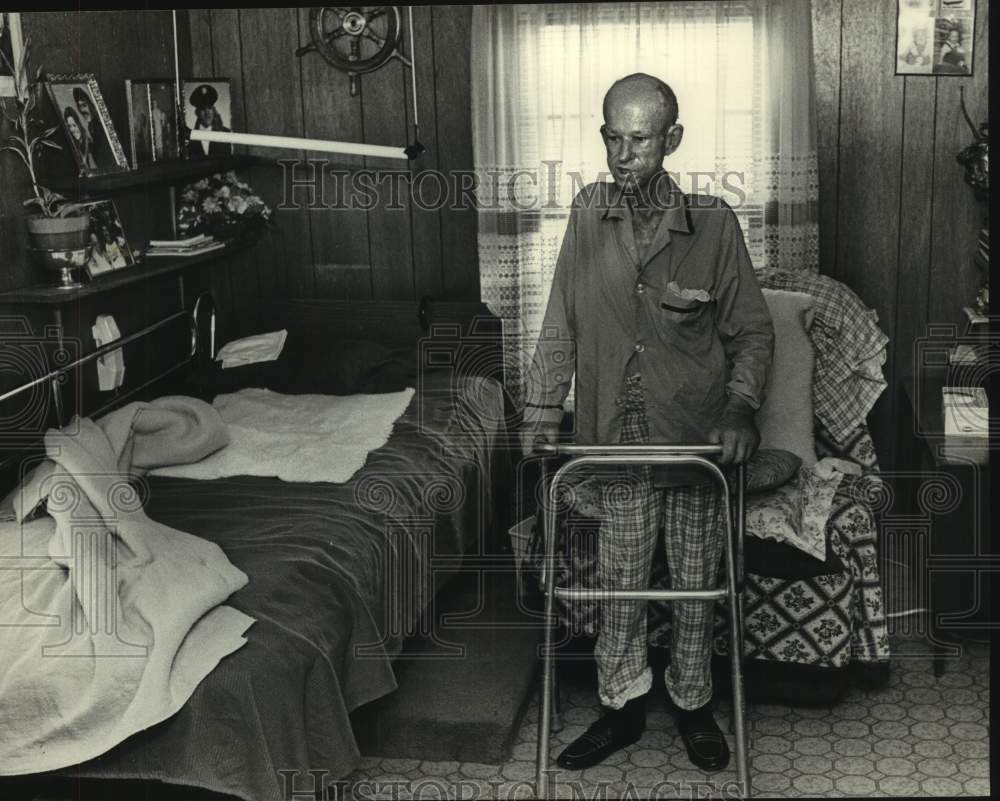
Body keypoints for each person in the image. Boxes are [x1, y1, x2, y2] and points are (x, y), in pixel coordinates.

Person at [521, 73, 774, 773]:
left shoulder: (714, 224)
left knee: (696, 579)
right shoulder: (586, 213)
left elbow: (753, 332)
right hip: (614, 434)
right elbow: (561, 323)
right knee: (621, 579)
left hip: (694, 434)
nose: (623, 153)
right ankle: (621, 706)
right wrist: (542, 408)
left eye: (640, 138)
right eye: (613, 137)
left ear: (672, 140)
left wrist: (742, 407)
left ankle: (693, 702)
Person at [187, 83, 232, 157]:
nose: (207, 113)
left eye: (210, 108)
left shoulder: (225, 134)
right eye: (203, 109)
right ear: (197, 113)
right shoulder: (190, 137)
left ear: (214, 111)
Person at [63, 106, 97, 172]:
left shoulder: (89, 143)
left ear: (79, 124)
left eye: (74, 125)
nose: (72, 129)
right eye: (69, 126)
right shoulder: (73, 146)